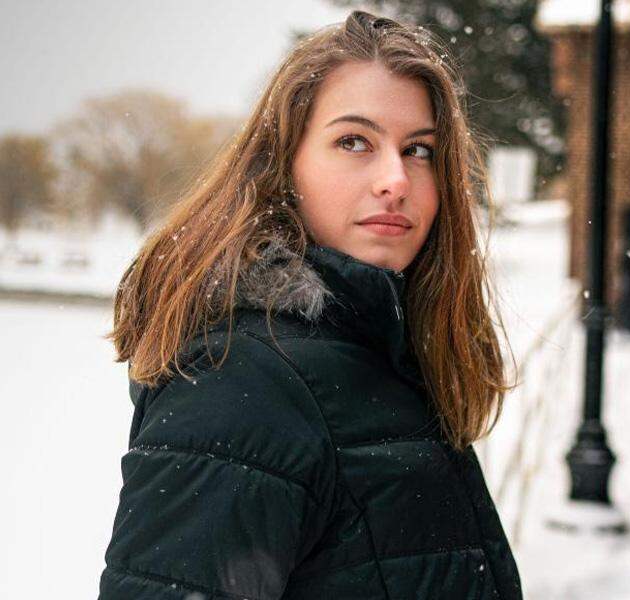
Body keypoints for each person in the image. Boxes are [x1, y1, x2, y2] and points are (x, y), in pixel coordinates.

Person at [98, 10, 522, 600]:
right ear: (282, 165)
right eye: (355, 142)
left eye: (419, 150)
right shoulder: (239, 379)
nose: (395, 178)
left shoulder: (376, 348)